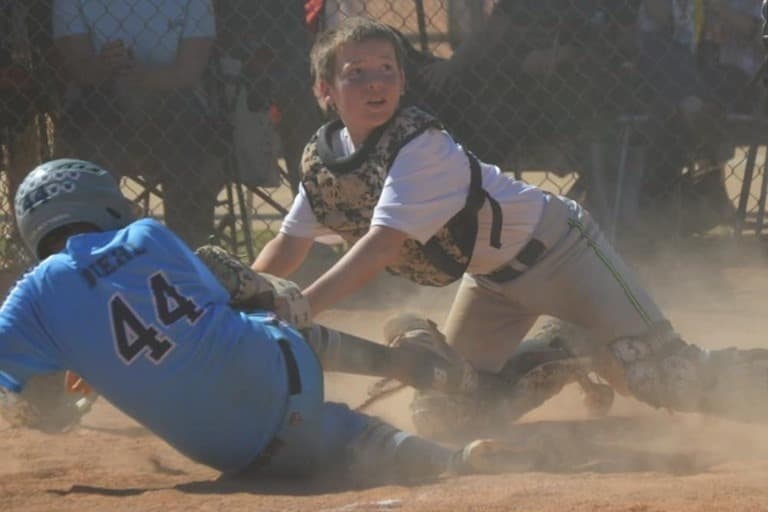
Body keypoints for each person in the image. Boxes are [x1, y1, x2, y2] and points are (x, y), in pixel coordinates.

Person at [251, 16, 768, 439]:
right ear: (325, 91)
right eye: (355, 72)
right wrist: (240, 305)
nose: (375, 82)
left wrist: (302, 308)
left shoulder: (419, 147)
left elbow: (382, 246)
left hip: (562, 253)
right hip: (495, 284)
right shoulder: (328, 161)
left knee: (665, 378)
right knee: (449, 416)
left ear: (403, 82)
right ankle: (561, 348)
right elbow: (289, 242)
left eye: (386, 69)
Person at [0, 158, 519, 482]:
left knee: (346, 437)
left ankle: (443, 458)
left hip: (241, 458)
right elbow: (210, 311)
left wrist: (80, 368)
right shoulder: (146, 237)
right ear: (104, 203)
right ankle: (415, 370)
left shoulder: (29, 301)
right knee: (243, 305)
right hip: (286, 369)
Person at [51, 0, 228, 248]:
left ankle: (190, 252)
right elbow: (79, 70)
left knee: (189, 139)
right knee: (91, 139)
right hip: (102, 101)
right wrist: (104, 65)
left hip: (171, 99)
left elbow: (189, 72)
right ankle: (98, 253)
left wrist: (141, 76)